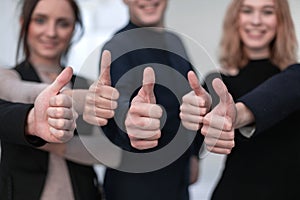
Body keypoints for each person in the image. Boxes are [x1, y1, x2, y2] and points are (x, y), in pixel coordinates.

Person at [83, 0, 204, 199]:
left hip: (177, 180)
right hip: (136, 183)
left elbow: (192, 101)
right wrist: (129, 120)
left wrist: (194, 154)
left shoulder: (175, 42)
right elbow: (117, 107)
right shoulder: (119, 45)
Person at [180, 0, 300, 199]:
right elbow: (191, 165)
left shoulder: (294, 76)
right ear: (236, 18)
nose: (256, 21)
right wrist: (193, 114)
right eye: (247, 11)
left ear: (281, 20)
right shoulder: (217, 81)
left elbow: (283, 91)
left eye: (267, 12)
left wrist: (237, 114)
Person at [0, 0, 103, 199]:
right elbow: (18, 92)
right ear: (24, 23)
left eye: (63, 23)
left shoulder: (87, 84)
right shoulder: (6, 78)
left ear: (74, 29)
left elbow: (109, 154)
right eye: (40, 20)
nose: (51, 32)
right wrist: (76, 99)